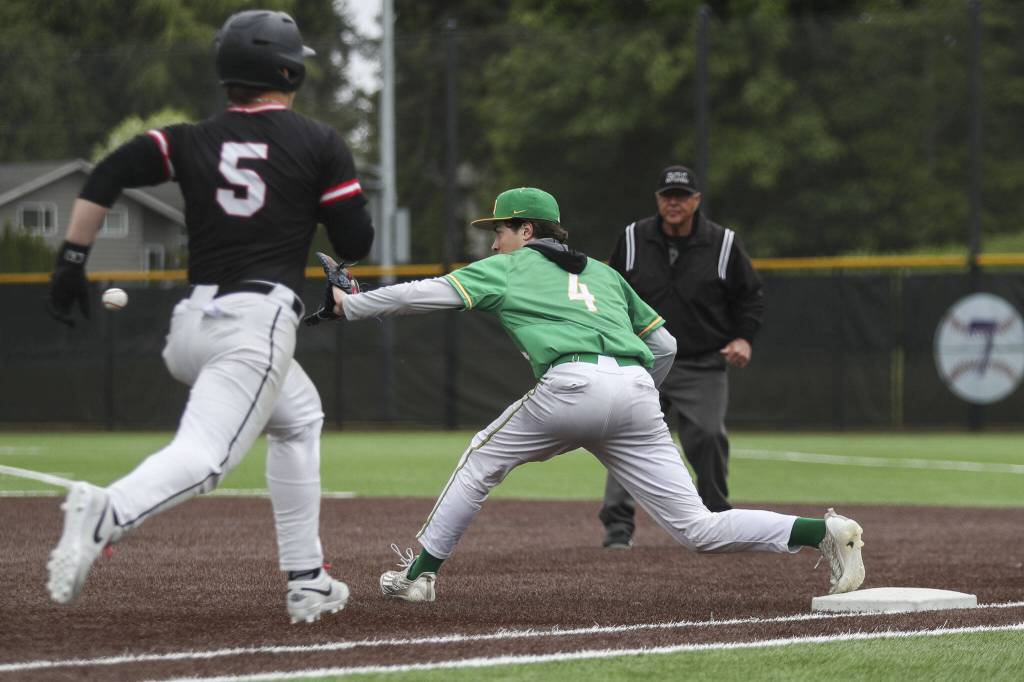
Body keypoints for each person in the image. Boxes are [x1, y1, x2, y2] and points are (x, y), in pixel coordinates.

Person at [306, 186, 865, 603]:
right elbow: (664, 342)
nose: (494, 239)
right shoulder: (602, 272)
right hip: (638, 391)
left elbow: (425, 295)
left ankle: (419, 576)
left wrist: (350, 305)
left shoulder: (509, 267)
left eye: (500, 229)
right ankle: (826, 533)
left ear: (528, 232)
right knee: (697, 527)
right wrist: (638, 394)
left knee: (480, 460)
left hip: (572, 384)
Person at [44, 9, 373, 624]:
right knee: (208, 458)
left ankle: (308, 579)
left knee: (299, 418)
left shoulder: (190, 138)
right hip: (255, 323)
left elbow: (110, 171)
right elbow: (356, 242)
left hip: (193, 325)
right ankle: (106, 512)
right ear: (290, 67)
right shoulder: (318, 141)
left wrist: (71, 260)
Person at [598, 165, 763, 550]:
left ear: (696, 200)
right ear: (658, 199)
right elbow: (608, 289)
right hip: (640, 359)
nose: (674, 203)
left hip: (700, 360)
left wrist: (743, 338)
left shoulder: (723, 242)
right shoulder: (633, 237)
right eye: (667, 196)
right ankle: (618, 526)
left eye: (682, 196)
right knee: (624, 436)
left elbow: (750, 295)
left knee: (707, 435)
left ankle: (718, 517)